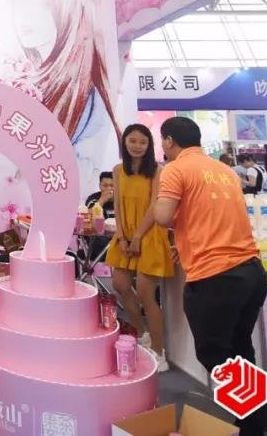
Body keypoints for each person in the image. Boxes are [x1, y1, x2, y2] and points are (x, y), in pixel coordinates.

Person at [154, 117, 267, 436]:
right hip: (251, 272)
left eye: (162, 141)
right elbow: (211, 217)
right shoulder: (224, 171)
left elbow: (163, 216)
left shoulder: (175, 170)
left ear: (168, 141)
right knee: (240, 354)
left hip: (215, 278)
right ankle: (250, 430)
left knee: (217, 358)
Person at [11, 0, 121, 186]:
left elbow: (82, 178)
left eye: (45, 4)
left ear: (72, 10)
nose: (27, 14)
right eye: (21, 0)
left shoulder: (89, 101)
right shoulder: (25, 79)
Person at [106, 125, 174, 372]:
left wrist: (137, 236)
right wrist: (123, 236)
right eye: (132, 141)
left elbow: (155, 205)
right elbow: (118, 206)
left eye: (142, 142)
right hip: (125, 235)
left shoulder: (157, 170)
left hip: (150, 234)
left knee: (147, 294)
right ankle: (142, 333)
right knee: (120, 285)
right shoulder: (118, 170)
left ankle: (159, 351)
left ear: (149, 145)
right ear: (124, 143)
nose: (137, 146)